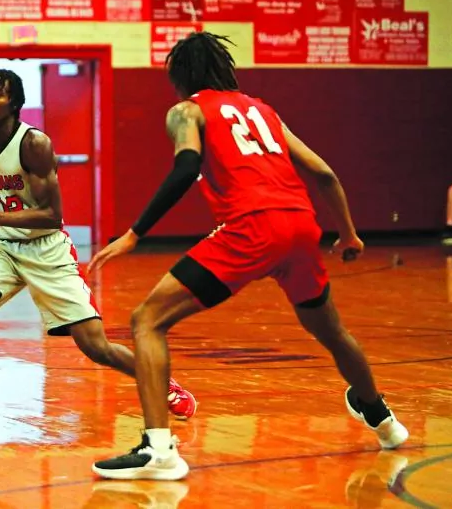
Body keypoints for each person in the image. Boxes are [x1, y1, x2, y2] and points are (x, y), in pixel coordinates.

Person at [88, 32, 409, 481]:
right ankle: (383, 420)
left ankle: (158, 450)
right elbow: (324, 173)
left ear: (179, 76)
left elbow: (186, 167)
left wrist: (135, 233)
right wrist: (349, 234)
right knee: (331, 331)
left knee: (147, 321)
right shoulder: (264, 111)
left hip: (251, 228)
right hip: (301, 226)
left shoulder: (187, 111)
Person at [0, 68, 197, 440]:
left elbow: (51, 216)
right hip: (4, 249)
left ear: (14, 103)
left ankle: (164, 384)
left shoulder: (34, 144)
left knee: (96, 347)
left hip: (48, 251)